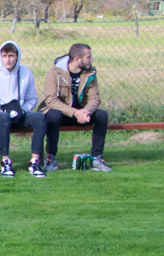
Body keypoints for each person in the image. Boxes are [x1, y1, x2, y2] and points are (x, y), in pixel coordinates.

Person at [38, 43, 112, 172]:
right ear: (77, 59)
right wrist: (74, 112)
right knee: (53, 116)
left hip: (82, 113)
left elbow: (95, 99)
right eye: (88, 57)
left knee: (101, 115)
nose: (91, 60)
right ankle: (51, 158)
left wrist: (85, 111)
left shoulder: (90, 73)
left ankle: (96, 158)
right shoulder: (55, 72)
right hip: (63, 113)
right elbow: (50, 100)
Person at [0, 41, 47, 178]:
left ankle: (35, 161)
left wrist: (23, 109)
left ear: (17, 56)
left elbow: (32, 98)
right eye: (4, 56)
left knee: (39, 118)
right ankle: (5, 161)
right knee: (4, 119)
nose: (8, 60)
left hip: (19, 112)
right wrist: (0, 110)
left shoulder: (26, 73)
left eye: (11, 56)